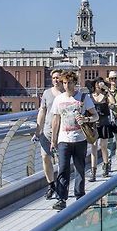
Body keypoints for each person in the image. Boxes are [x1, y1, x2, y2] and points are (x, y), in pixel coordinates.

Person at [50, 71, 98, 211]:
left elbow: (95, 116)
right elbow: (56, 120)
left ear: (75, 83)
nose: (66, 86)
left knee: (80, 168)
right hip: (63, 140)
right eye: (64, 83)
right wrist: (53, 140)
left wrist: (86, 119)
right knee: (63, 169)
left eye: (69, 83)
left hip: (80, 139)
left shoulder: (83, 97)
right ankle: (61, 199)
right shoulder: (58, 99)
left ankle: (79, 197)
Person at [34, 69, 64, 199]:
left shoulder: (67, 93)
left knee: (61, 161)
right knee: (45, 157)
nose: (56, 80)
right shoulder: (46, 93)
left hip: (62, 132)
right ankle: (51, 184)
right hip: (47, 131)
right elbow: (42, 111)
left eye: (58, 78)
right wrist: (38, 130)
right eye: (54, 78)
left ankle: (61, 185)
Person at [91, 77, 116, 178]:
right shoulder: (89, 96)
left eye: (100, 82)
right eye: (96, 82)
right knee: (93, 146)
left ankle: (106, 166)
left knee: (103, 146)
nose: (98, 84)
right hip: (93, 123)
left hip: (104, 122)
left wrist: (107, 89)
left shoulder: (105, 95)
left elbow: (113, 102)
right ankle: (93, 172)